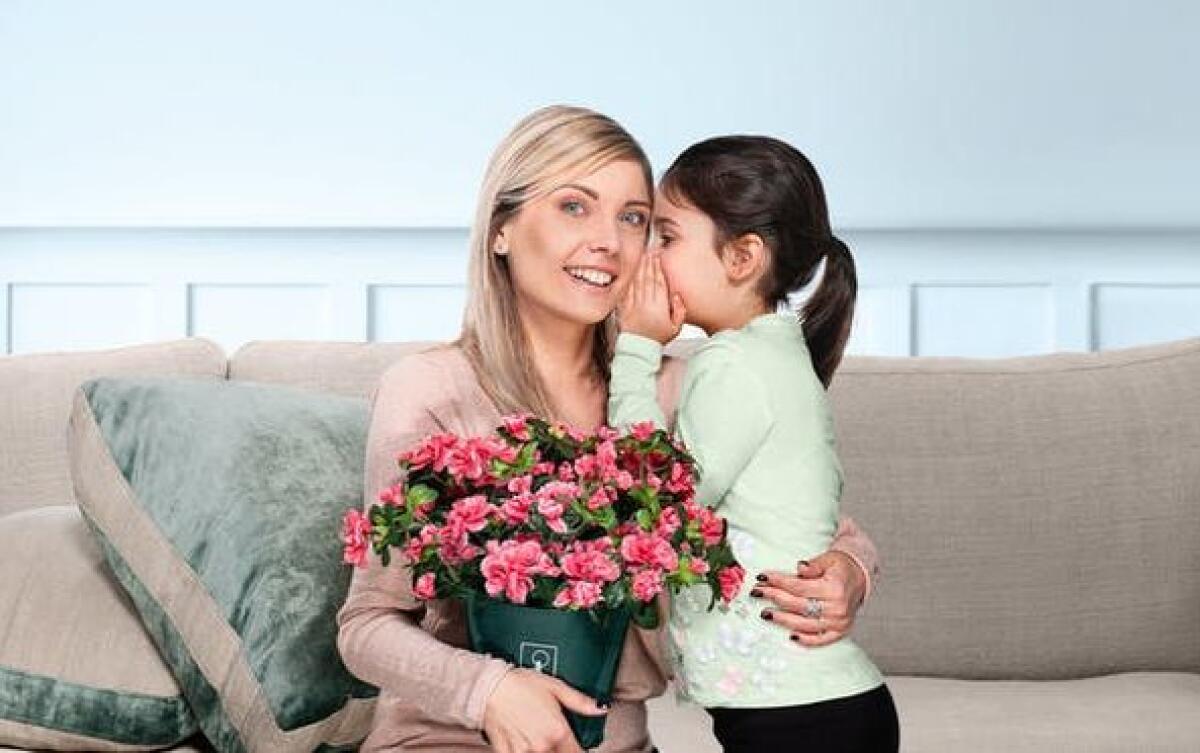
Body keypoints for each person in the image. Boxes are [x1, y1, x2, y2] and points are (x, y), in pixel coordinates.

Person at [336, 106, 882, 753]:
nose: (611, 241)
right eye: (574, 206)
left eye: (634, 218)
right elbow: (366, 624)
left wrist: (849, 566)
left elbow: (796, 512)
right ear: (501, 230)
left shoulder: (674, 386)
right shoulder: (428, 389)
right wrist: (492, 690)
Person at [608, 135, 900, 752]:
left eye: (666, 236)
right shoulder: (768, 354)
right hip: (808, 710)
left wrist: (635, 349)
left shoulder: (733, 366)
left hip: (800, 718)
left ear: (742, 258)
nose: (646, 257)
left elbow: (658, 506)